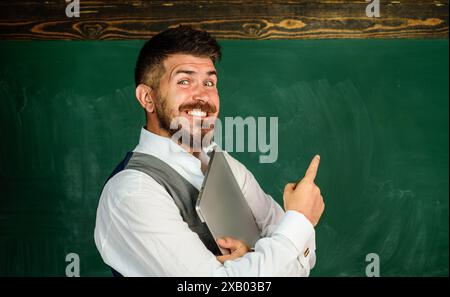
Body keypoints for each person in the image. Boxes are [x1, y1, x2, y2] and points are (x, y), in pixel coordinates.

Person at [94, 26, 325, 277]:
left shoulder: (220, 161)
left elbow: (303, 257)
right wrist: (300, 219)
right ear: (147, 98)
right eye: (184, 81)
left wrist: (252, 258)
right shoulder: (132, 192)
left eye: (209, 82)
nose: (202, 96)